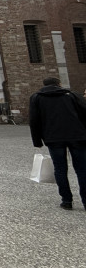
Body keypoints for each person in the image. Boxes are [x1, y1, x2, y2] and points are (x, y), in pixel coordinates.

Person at [29, 76, 86, 210]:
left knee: (60, 169)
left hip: (53, 138)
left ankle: (66, 201)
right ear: (59, 84)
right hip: (77, 136)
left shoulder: (37, 97)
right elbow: (84, 114)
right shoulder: (71, 95)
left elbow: (34, 120)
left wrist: (37, 141)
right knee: (82, 169)